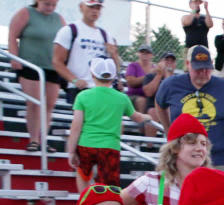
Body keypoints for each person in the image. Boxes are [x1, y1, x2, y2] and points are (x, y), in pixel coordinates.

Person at [156, 45, 224, 172]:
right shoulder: (170, 85)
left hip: (220, 159)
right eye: (198, 69)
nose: (203, 73)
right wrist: (169, 131)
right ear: (188, 64)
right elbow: (160, 105)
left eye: (207, 68)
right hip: (184, 157)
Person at [67, 58, 150, 193]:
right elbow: (137, 117)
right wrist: (148, 117)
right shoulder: (121, 97)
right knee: (109, 186)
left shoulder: (83, 96)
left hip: (86, 144)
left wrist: (71, 151)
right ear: (113, 77)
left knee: (83, 176)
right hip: (110, 146)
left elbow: (76, 126)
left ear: (93, 75)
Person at [7, 0, 66, 153]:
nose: (50, 8)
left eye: (53, 5)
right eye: (47, 4)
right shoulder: (25, 13)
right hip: (30, 64)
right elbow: (13, 35)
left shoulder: (59, 19)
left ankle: (44, 139)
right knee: (34, 102)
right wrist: (14, 57)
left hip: (52, 66)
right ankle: (34, 139)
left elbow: (65, 42)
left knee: (49, 104)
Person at [52, 0, 122, 104]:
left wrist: (114, 54)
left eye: (98, 8)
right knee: (82, 120)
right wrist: (74, 80)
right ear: (81, 7)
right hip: (80, 88)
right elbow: (57, 61)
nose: (94, 11)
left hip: (102, 88)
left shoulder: (106, 35)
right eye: (91, 7)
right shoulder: (69, 30)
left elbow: (114, 66)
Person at [125, 45, 159, 139]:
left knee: (155, 107)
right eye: (142, 52)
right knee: (142, 101)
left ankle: (150, 140)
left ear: (151, 55)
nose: (144, 55)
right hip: (133, 96)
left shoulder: (155, 68)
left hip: (150, 97)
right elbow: (131, 82)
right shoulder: (133, 66)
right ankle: (142, 132)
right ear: (138, 54)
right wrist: (149, 75)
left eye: (147, 52)